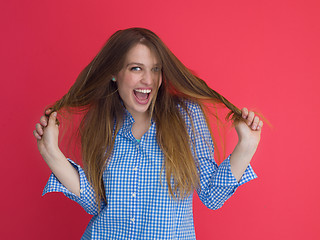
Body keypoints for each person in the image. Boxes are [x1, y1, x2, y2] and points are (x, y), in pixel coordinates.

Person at [33, 28, 263, 239]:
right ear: (115, 73)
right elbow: (96, 204)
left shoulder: (187, 117)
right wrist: (51, 153)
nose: (148, 80)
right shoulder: (101, 122)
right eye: (136, 68)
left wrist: (247, 146)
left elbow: (213, 196)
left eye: (155, 69)